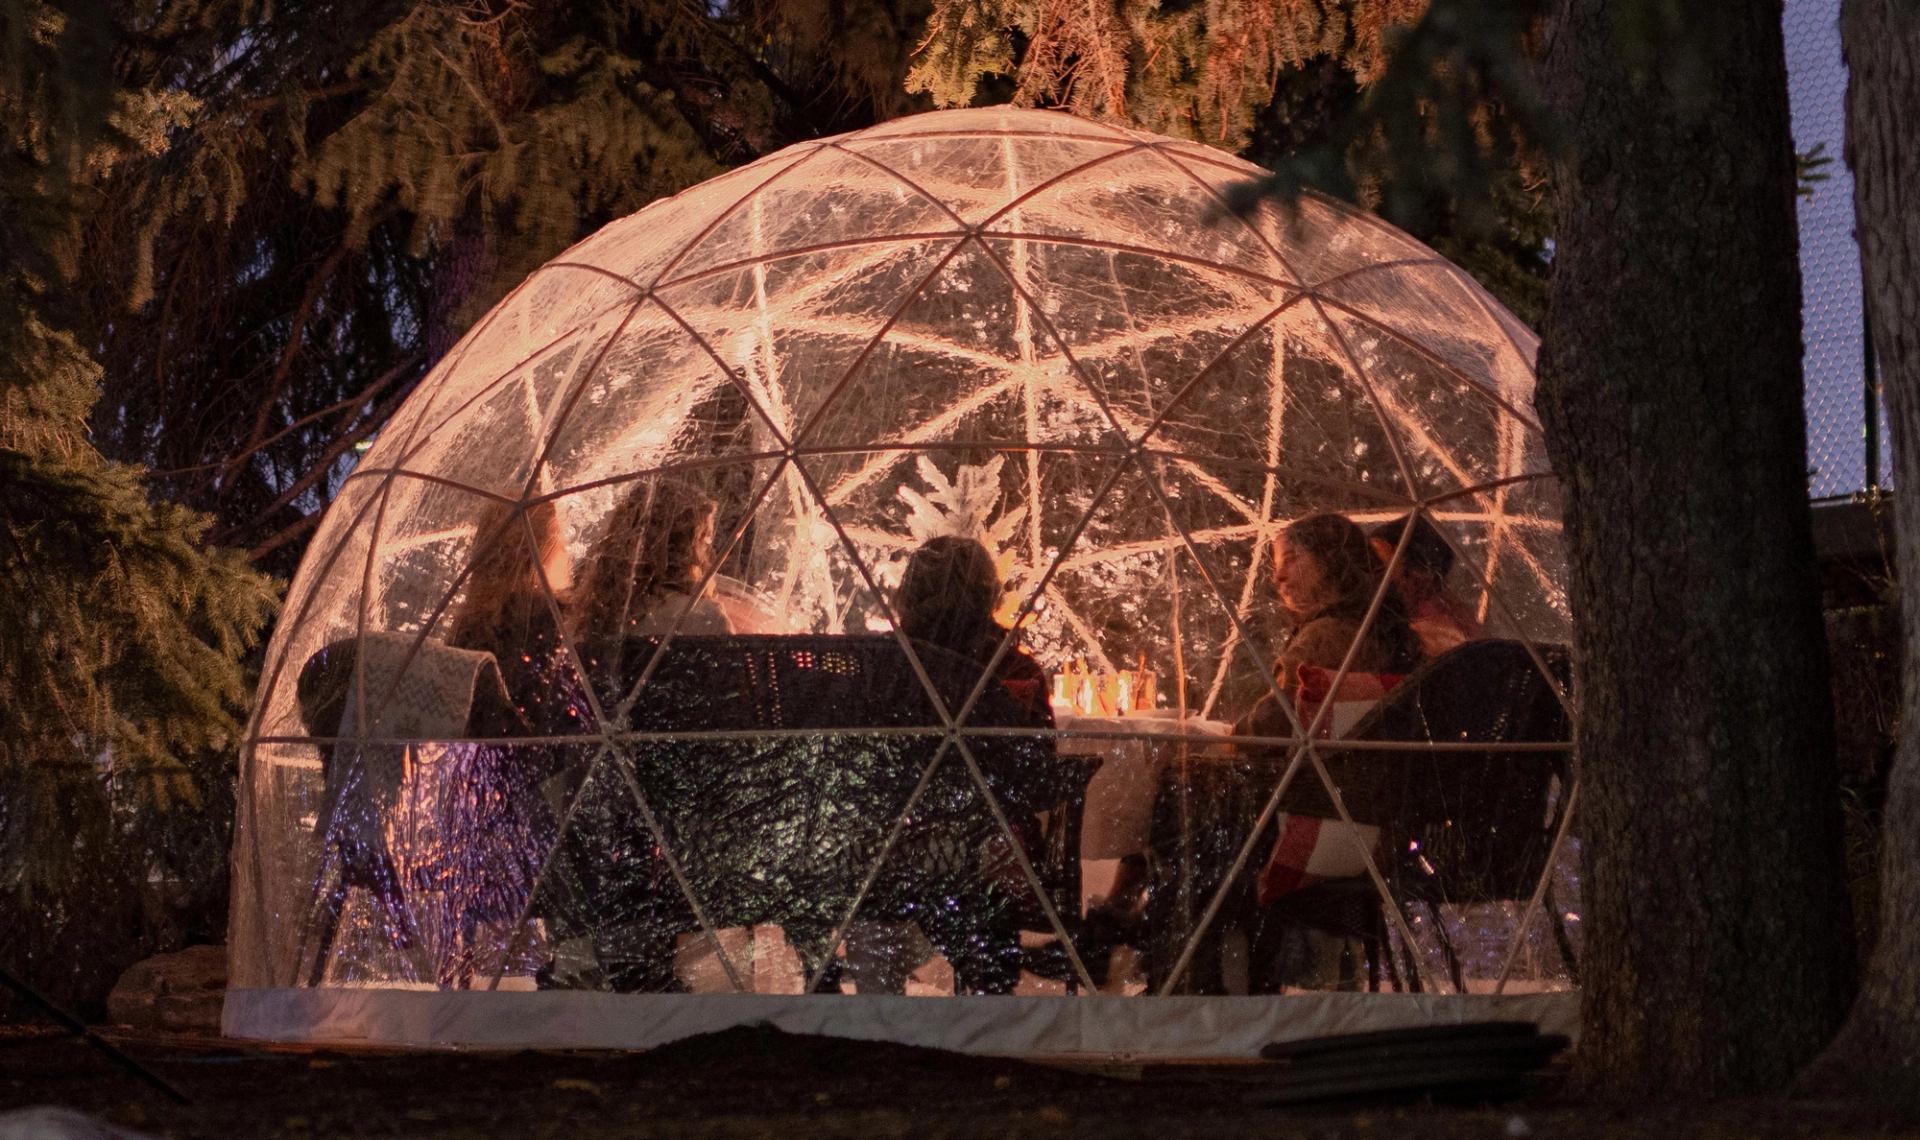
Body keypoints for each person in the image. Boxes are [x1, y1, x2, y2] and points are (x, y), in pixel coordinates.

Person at [569, 478, 733, 645]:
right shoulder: (706, 619)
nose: (711, 553)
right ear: (687, 549)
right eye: (704, 540)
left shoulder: (586, 616)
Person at [1270, 512, 1421, 691]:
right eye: (1276, 566)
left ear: (1330, 559)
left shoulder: (1323, 638)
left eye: (1291, 559)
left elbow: (1276, 713)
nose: (1277, 577)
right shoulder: (1382, 628)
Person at [1368, 514, 1482, 662]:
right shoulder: (1416, 617)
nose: (1368, 573)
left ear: (1419, 578)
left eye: (1379, 565)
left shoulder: (1435, 634)